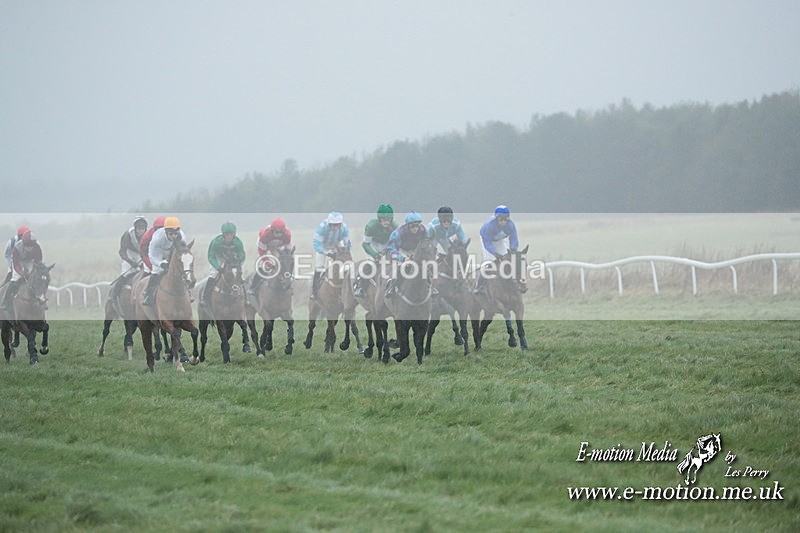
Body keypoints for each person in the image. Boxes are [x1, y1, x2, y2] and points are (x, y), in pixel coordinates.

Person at [353, 204, 397, 298]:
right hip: (373, 246)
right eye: (384, 219)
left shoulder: (395, 226)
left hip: (388, 246)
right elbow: (365, 244)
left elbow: (397, 243)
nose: (386, 222)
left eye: (388, 219)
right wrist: (375, 254)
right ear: (379, 218)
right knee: (371, 263)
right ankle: (360, 286)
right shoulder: (371, 225)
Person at [142, 217, 187, 306]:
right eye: (171, 234)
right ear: (166, 232)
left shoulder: (181, 237)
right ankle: (147, 294)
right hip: (159, 252)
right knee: (157, 270)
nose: (174, 236)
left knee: (180, 269)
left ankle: (187, 293)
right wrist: (160, 263)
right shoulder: (157, 238)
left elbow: (183, 251)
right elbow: (152, 256)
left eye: (175, 234)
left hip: (172, 250)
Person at [474, 205, 520, 295]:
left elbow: (514, 239)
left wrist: (513, 250)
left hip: (500, 240)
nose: (503, 222)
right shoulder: (490, 226)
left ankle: (512, 284)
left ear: (508, 218)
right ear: (496, 218)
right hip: (487, 240)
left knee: (507, 260)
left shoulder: (511, 225)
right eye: (500, 220)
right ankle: (479, 286)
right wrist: (495, 253)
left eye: (505, 219)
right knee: (489, 263)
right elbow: (487, 243)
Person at [200, 222, 246, 307]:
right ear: (223, 234)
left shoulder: (238, 242)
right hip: (218, 258)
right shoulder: (216, 242)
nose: (229, 236)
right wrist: (217, 267)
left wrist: (238, 264)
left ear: (234, 234)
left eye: (231, 234)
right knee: (213, 275)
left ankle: (246, 299)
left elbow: (242, 255)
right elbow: (211, 256)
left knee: (240, 277)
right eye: (227, 234)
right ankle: (205, 298)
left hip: (232, 259)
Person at [384, 212, 427, 297]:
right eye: (412, 226)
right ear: (407, 225)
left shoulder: (423, 230)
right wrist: (402, 258)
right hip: (401, 251)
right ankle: (392, 287)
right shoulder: (398, 233)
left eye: (417, 226)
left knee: (426, 266)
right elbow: (391, 249)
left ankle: (430, 287)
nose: (415, 229)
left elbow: (427, 244)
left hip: (416, 250)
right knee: (403, 267)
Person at [310, 211, 351, 300]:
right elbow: (316, 244)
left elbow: (347, 243)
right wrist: (326, 252)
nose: (335, 227)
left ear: (340, 224)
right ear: (329, 224)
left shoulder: (344, 228)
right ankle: (314, 291)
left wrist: (345, 252)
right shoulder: (321, 228)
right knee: (319, 268)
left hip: (337, 242)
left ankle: (348, 289)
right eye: (333, 225)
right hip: (323, 245)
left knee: (346, 265)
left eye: (337, 225)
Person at [1, 229, 43, 311]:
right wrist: (21, 272)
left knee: (36, 277)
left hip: (30, 261)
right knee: (15, 278)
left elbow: (38, 260)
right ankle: (5, 302)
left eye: (31, 245)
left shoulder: (37, 246)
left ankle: (41, 300)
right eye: (27, 245)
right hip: (18, 261)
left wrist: (34, 271)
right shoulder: (17, 247)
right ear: (23, 243)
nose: (29, 247)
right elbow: (16, 263)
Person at [108, 216, 148, 303]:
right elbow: (122, 252)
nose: (141, 231)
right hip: (129, 254)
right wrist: (131, 262)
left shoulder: (148, 235)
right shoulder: (127, 235)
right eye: (138, 228)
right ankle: (114, 295)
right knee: (125, 274)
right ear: (135, 228)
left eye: (143, 228)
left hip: (141, 254)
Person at [250, 217, 293, 296]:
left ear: (284, 231)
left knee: (282, 264)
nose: (278, 235)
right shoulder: (265, 234)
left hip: (278, 247)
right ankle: (253, 287)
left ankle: (286, 284)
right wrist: (268, 263)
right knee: (263, 266)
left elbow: (287, 251)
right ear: (272, 230)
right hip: (264, 246)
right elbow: (262, 252)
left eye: (281, 232)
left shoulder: (287, 234)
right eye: (276, 232)